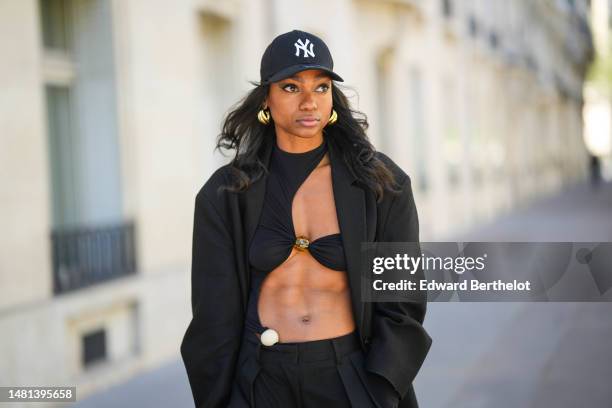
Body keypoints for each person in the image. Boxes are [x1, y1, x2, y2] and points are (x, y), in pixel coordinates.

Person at [181, 29, 432, 408]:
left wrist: (381, 386)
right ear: (266, 98)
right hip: (261, 379)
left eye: (321, 87)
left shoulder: (382, 185)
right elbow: (213, 314)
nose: (309, 102)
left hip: (350, 377)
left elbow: (402, 299)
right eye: (291, 87)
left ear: (333, 97)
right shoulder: (227, 193)